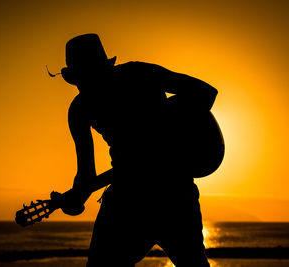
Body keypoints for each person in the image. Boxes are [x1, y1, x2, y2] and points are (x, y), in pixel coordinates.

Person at [56, 33, 217, 266]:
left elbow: (205, 92)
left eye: (86, 76)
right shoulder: (79, 109)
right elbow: (86, 176)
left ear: (100, 70)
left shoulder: (139, 74)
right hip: (129, 198)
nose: (82, 85)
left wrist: (167, 129)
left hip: (171, 193)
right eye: (79, 79)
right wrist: (75, 201)